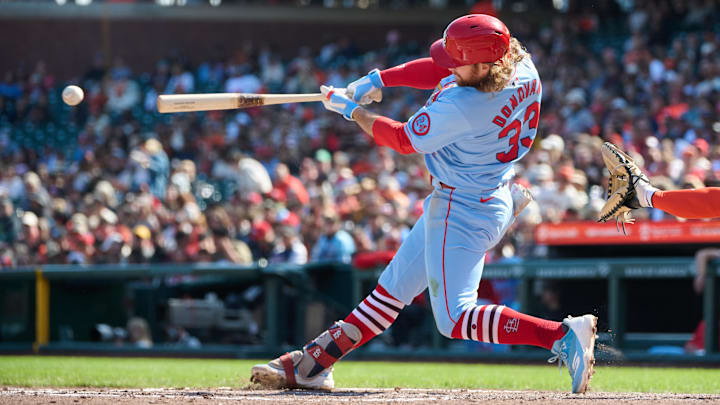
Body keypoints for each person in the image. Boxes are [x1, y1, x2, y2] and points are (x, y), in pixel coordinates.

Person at [251, 14, 596, 394]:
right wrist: (378, 79)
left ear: (483, 64)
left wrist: (351, 111)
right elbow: (440, 69)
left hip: (462, 207)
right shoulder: (520, 65)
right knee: (390, 292)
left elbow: (401, 140)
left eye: (459, 58)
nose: (449, 63)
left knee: (453, 318)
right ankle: (315, 363)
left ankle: (560, 335)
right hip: (484, 193)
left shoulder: (466, 104)